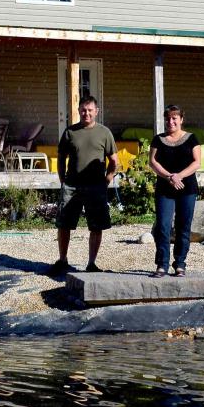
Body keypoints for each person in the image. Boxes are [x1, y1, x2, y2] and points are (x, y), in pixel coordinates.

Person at [50, 96, 119, 276]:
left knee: (96, 226)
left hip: (96, 186)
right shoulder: (70, 132)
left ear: (96, 111)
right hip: (72, 185)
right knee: (64, 224)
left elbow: (114, 161)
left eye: (90, 110)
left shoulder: (105, 133)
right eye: (83, 110)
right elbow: (61, 158)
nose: (86, 113)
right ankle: (63, 259)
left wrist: (107, 180)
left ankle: (91, 263)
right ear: (79, 110)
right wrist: (62, 179)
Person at [148, 105, 201, 277]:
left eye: (174, 118)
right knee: (163, 226)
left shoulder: (192, 139)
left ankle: (180, 264)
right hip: (165, 189)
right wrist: (169, 177)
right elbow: (153, 162)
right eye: (168, 118)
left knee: (183, 227)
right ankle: (162, 264)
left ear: (181, 120)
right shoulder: (158, 139)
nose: (170, 122)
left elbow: (196, 162)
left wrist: (179, 176)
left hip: (187, 189)